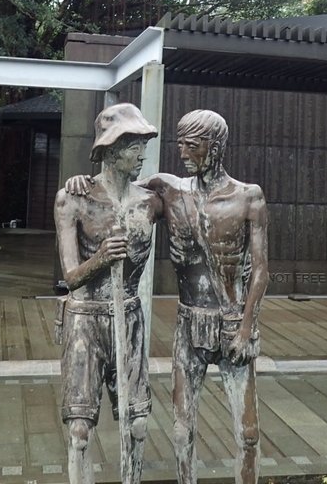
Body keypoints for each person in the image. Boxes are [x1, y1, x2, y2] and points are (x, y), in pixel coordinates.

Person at [67, 109, 269, 484]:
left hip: (231, 323)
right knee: (180, 431)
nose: (183, 153)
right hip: (188, 322)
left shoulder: (248, 197)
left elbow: (261, 271)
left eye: (192, 146)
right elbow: (117, 189)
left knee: (249, 434)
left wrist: (245, 329)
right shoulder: (169, 190)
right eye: (181, 145)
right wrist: (81, 181)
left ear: (216, 146)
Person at [55, 103, 163, 484]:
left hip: (128, 318)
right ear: (112, 149)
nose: (142, 154)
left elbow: (194, 191)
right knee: (80, 433)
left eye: (143, 144)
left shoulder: (150, 200)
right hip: (85, 320)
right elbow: (69, 277)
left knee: (136, 425)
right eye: (135, 146)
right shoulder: (74, 199)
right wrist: (101, 258)